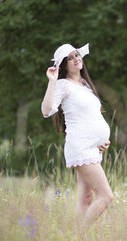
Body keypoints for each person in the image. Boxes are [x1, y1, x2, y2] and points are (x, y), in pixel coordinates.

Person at [41, 43, 113, 226]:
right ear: (64, 65)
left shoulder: (85, 85)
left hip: (94, 149)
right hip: (80, 147)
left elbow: (91, 118)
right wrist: (52, 80)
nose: (76, 59)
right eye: (70, 58)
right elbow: (46, 110)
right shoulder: (63, 85)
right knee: (106, 197)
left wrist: (104, 141)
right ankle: (75, 236)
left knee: (86, 199)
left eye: (77, 55)